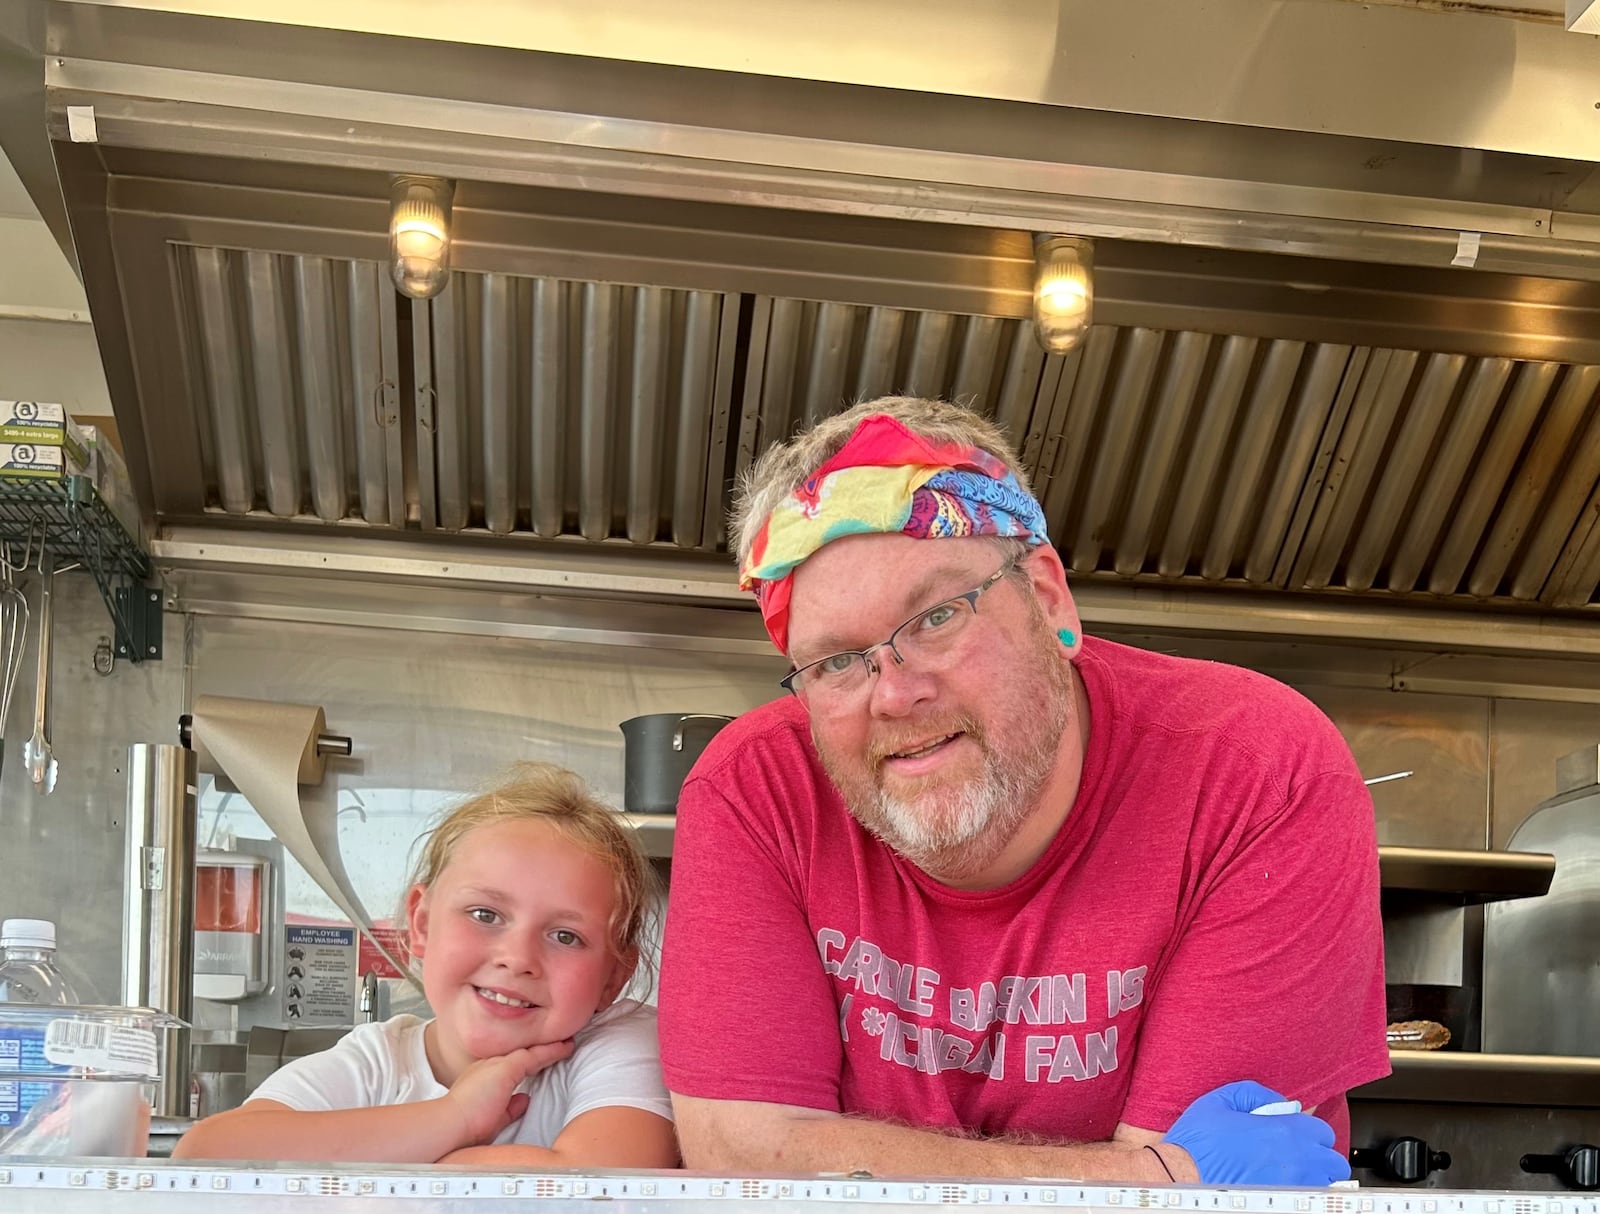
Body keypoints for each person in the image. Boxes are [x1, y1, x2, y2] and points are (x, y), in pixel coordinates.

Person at [657, 396, 1388, 1186]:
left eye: (936, 617)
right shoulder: (754, 793)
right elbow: (742, 1163)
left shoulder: (1255, 772)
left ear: (1046, 598)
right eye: (835, 662)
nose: (894, 696)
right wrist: (1148, 1180)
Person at [175, 763, 677, 1168]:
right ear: (421, 923)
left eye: (566, 936)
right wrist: (453, 1117)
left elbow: (602, 1183)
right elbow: (205, 1157)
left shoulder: (621, 1042)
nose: (518, 958)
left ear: (614, 976)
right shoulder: (376, 1061)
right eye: (485, 914)